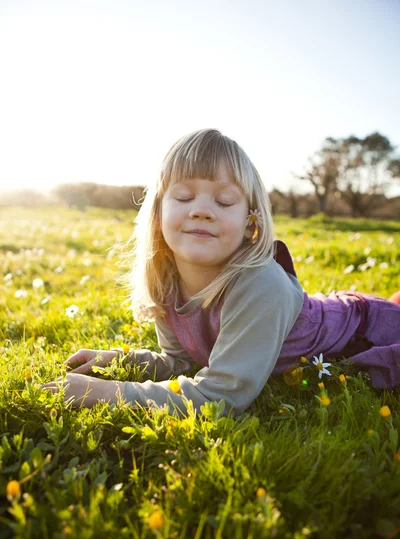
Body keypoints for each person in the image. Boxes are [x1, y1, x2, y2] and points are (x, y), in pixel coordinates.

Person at [42, 129, 400, 416]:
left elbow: (221, 397)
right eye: (183, 197)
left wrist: (108, 392)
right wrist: (122, 359)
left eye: (224, 201)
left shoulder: (262, 284)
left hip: (366, 331)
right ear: (158, 214)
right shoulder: (168, 280)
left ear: (250, 222)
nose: (201, 210)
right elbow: (181, 361)